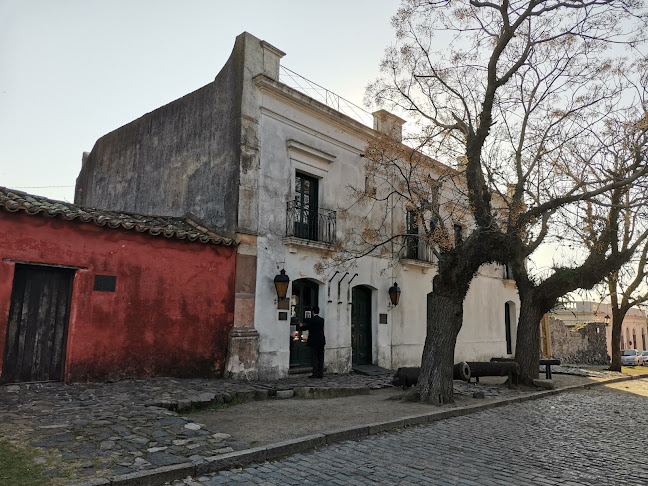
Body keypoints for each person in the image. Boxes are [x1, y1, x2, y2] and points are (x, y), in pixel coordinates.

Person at [299, 306, 325, 378]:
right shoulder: (321, 320)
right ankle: (321, 373)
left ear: (313, 312)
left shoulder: (311, 320)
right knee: (320, 357)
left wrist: (301, 326)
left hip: (314, 341)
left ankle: (315, 373)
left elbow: (306, 327)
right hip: (321, 340)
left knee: (315, 358)